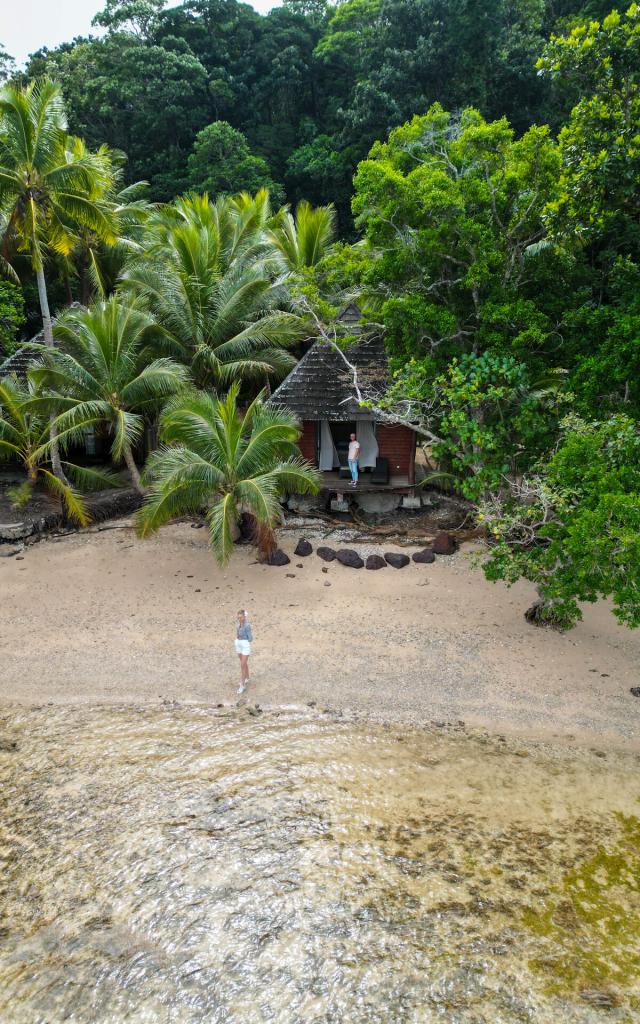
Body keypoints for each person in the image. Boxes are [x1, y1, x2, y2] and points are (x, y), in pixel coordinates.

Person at [235, 609, 253, 694]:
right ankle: (247, 678)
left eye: (241, 617)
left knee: (242, 665)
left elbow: (250, 638)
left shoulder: (247, 626)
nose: (239, 619)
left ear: (244, 617)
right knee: (244, 663)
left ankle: (242, 685)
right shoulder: (237, 625)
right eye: (238, 617)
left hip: (245, 645)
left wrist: (244, 639)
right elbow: (237, 634)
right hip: (238, 644)